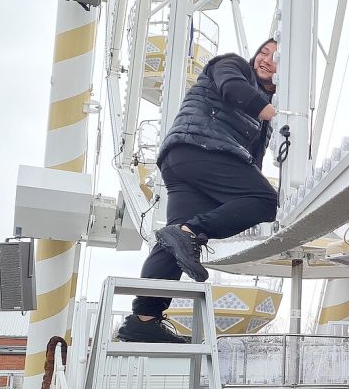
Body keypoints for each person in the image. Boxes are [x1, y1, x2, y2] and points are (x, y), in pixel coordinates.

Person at [117, 39, 281, 343]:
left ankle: (144, 318)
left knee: (172, 240)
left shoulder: (265, 118)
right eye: (263, 52)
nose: (266, 60)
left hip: (184, 162)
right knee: (266, 201)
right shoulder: (232, 65)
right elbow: (232, 88)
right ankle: (192, 232)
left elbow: (253, 164)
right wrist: (277, 114)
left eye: (276, 57)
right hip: (202, 147)